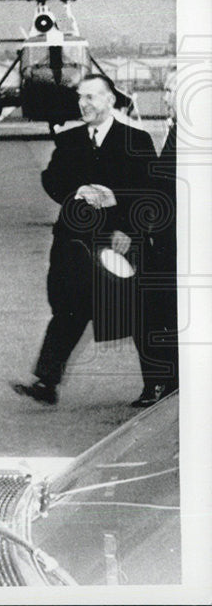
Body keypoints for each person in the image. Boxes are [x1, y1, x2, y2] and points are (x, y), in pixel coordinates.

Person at [12, 74, 158, 406]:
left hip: (117, 242)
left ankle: (157, 386)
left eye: (92, 97)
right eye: (81, 97)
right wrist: (73, 191)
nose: (84, 103)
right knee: (68, 310)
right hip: (74, 244)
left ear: (111, 100)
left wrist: (128, 229)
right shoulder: (70, 139)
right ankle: (46, 382)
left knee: (135, 313)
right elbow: (51, 179)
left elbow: (150, 193)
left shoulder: (137, 140)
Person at [133, 70, 179, 406]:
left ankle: (168, 385)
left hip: (179, 245)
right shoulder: (176, 131)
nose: (164, 97)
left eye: (171, 90)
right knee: (154, 314)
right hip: (164, 242)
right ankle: (163, 384)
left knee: (161, 315)